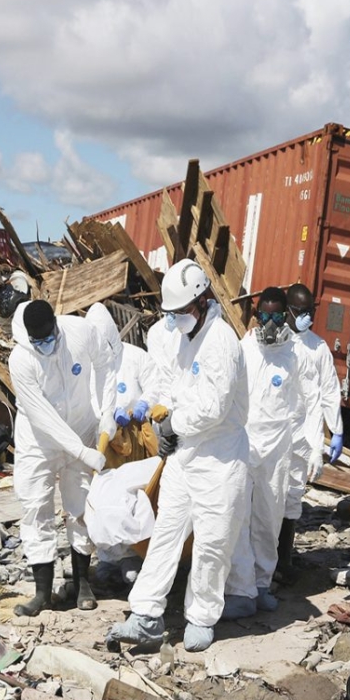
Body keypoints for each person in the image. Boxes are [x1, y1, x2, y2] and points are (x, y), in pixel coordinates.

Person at [106, 260, 249, 653]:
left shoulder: (221, 341)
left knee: (211, 543)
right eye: (173, 315)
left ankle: (201, 617)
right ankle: (145, 614)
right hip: (187, 457)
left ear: (203, 301)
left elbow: (214, 408)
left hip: (220, 461)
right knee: (166, 531)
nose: (178, 320)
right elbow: (172, 383)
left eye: (182, 313)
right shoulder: (187, 339)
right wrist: (161, 415)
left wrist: (174, 426)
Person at [8, 299, 118, 616]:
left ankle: (82, 583)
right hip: (39, 440)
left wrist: (106, 412)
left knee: (80, 504)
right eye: (37, 341)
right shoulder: (21, 359)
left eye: (49, 337)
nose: (45, 345)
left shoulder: (80, 332)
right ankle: (42, 593)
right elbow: (43, 416)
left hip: (82, 424)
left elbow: (106, 364)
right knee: (35, 506)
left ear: (56, 325)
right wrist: (82, 451)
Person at [223, 287, 320, 618]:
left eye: (277, 317)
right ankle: (237, 587)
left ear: (285, 318)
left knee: (268, 517)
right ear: (255, 317)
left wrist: (310, 448)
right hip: (244, 443)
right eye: (264, 316)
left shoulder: (295, 356)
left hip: (278, 448)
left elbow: (307, 406)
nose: (270, 323)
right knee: (238, 517)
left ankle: (262, 584)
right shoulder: (242, 351)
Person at [84, 301, 159, 585]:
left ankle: (132, 555)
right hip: (106, 442)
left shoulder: (135, 357)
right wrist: (105, 417)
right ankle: (107, 557)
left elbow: (156, 384)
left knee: (134, 498)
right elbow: (88, 399)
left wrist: (143, 404)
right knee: (104, 496)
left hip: (136, 441)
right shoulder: (90, 367)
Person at [278, 283, 344, 581]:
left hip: (302, 434)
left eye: (311, 313)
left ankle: (283, 561)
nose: (307, 318)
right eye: (302, 312)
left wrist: (336, 429)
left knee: (292, 498)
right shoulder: (273, 342)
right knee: (263, 498)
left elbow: (329, 391)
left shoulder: (317, 348)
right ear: (288, 310)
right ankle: (257, 563)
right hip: (270, 432)